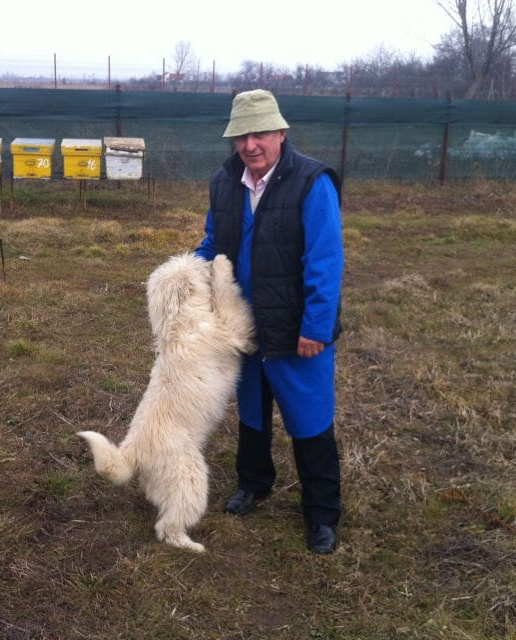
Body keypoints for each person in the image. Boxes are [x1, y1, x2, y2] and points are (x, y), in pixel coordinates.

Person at [195, 89, 344, 554]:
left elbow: (325, 258)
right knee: (253, 412)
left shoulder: (311, 182)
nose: (249, 144)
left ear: (281, 132)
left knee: (310, 418)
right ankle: (254, 484)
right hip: (242, 325)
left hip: (296, 329)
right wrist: (185, 279)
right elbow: (212, 244)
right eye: (241, 135)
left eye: (259, 133)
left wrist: (316, 327)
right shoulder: (224, 182)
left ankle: (321, 513)